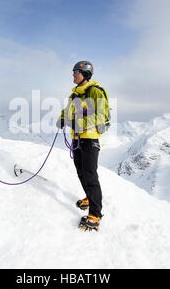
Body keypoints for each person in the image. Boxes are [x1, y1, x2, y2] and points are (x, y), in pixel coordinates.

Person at [57, 61, 110, 231]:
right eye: (73, 71)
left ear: (85, 74)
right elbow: (67, 112)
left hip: (90, 139)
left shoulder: (96, 92)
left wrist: (77, 123)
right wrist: (62, 118)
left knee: (90, 175)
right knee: (81, 172)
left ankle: (95, 214)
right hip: (77, 139)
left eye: (76, 72)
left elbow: (101, 116)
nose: (73, 74)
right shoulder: (74, 96)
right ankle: (89, 197)